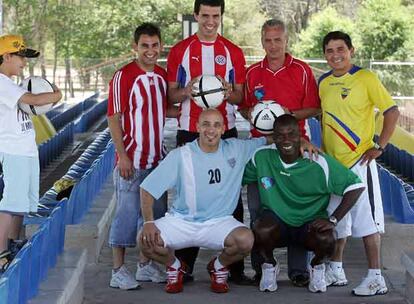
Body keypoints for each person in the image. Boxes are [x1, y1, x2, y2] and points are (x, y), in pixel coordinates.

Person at [167, 0, 249, 284]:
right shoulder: (180, 50)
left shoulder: (233, 52)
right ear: (196, 15)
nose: (210, 21)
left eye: (216, 16)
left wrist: (227, 93)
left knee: (231, 195)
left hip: (224, 132)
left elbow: (240, 97)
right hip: (190, 131)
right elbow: (171, 95)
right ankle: (184, 265)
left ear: (221, 16)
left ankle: (232, 267)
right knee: (189, 197)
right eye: (205, 15)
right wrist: (188, 91)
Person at [138, 109, 264, 294]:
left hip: (218, 222)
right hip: (182, 221)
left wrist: (301, 140)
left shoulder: (237, 148)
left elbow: (269, 140)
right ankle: (175, 266)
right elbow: (147, 189)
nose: (210, 130)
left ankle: (219, 266)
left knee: (245, 240)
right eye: (205, 124)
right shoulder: (181, 155)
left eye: (216, 125)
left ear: (223, 129)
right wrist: (149, 222)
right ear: (197, 127)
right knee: (144, 240)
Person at [243, 114, 365, 293]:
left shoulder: (318, 161)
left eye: (291, 134)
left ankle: (316, 267)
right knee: (260, 228)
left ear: (300, 135)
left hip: (308, 224)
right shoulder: (261, 157)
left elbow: (356, 186)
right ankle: (269, 266)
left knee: (327, 238)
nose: (286, 140)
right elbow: (237, 177)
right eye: (280, 135)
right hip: (278, 223)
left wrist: (333, 219)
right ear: (274, 138)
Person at [239, 18, 320, 285]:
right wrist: (252, 114)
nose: (273, 45)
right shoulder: (252, 73)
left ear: (287, 41)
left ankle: (298, 270)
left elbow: (314, 108)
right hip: (261, 151)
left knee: (298, 208)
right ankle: (262, 268)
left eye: (278, 40)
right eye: (268, 40)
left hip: (294, 148)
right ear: (262, 41)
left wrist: (287, 116)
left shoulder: (303, 70)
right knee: (259, 210)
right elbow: (245, 108)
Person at [319, 31, 400, 296]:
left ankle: (376, 277)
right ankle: (336, 269)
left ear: (351, 50)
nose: (335, 55)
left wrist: (380, 146)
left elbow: (391, 111)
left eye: (340, 49)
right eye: (329, 50)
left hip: (359, 162)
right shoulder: (323, 82)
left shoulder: (366, 78)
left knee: (368, 223)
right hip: (333, 166)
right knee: (337, 221)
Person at [107, 23, 178, 290]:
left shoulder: (162, 75)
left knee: (154, 217)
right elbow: (113, 117)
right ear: (135, 47)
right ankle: (117, 270)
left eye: (155, 45)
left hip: (156, 161)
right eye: (144, 46)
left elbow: (166, 111)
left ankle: (145, 266)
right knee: (125, 216)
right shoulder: (123, 76)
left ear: (161, 46)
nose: (150, 51)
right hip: (132, 161)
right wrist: (122, 156)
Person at [0, 34, 62, 273]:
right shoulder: (2, 83)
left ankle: (13, 244)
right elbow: (33, 99)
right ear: (6, 56)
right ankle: (1, 253)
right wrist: (57, 96)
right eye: (20, 57)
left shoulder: (11, 83)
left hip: (25, 151)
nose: (24, 63)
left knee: (20, 205)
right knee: (8, 205)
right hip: (12, 151)